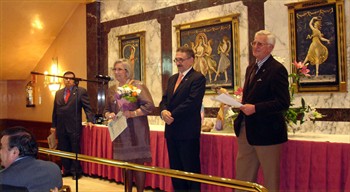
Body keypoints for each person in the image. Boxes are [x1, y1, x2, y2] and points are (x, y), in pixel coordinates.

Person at [234, 30, 290, 192]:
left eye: (260, 44)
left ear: (270, 48)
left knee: (270, 180)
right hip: (246, 130)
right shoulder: (251, 68)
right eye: (254, 43)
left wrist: (256, 108)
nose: (255, 46)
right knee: (243, 178)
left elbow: (282, 102)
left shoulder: (277, 69)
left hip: (268, 133)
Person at [159, 46, 206, 191]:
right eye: (176, 59)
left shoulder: (198, 78)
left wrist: (171, 115)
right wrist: (163, 111)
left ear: (191, 60)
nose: (178, 63)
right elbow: (165, 99)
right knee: (176, 169)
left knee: (190, 169)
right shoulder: (173, 78)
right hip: (172, 131)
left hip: (187, 132)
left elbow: (192, 103)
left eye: (181, 60)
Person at [104, 59, 154, 192]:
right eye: (115, 69)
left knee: (138, 164)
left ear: (127, 71)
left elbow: (149, 106)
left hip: (137, 131)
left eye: (120, 69)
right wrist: (109, 115)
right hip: (120, 132)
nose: (116, 72)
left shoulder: (136, 85)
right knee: (125, 164)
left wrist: (133, 113)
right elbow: (106, 110)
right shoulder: (111, 90)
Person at [51, 71, 94, 180]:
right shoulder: (58, 93)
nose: (68, 80)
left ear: (75, 81)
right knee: (64, 149)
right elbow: (55, 110)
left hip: (74, 126)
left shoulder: (80, 91)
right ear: (63, 80)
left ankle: (76, 171)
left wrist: (90, 120)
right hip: (61, 126)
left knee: (74, 149)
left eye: (70, 79)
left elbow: (87, 107)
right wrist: (53, 125)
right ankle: (67, 170)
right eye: (66, 78)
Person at [0, 126, 62, 191]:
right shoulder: (54, 169)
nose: (0, 152)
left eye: (1, 147)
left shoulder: (4, 179)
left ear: (15, 152)